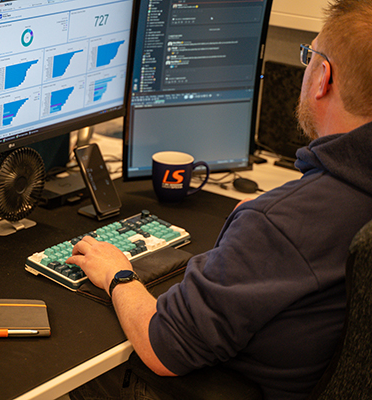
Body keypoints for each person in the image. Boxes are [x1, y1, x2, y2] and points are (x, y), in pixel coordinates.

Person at [67, 1, 372, 399]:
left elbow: (164, 347)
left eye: (309, 56)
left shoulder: (281, 224)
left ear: (323, 78)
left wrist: (118, 274)